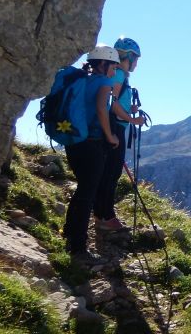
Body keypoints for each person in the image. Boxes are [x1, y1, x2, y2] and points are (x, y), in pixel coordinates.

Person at [62, 44, 120, 259]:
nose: (114, 72)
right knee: (88, 193)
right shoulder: (104, 82)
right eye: (113, 66)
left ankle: (70, 232)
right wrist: (110, 135)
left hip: (72, 140)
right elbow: (101, 108)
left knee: (82, 190)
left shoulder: (82, 80)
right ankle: (78, 248)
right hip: (91, 142)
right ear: (103, 64)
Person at [93, 37, 145, 231]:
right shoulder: (119, 76)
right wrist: (133, 120)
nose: (137, 63)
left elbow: (116, 102)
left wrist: (128, 109)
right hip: (115, 128)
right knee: (111, 172)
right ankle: (105, 216)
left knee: (111, 171)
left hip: (116, 126)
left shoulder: (119, 76)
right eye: (136, 59)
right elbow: (111, 105)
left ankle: (102, 213)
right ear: (128, 57)